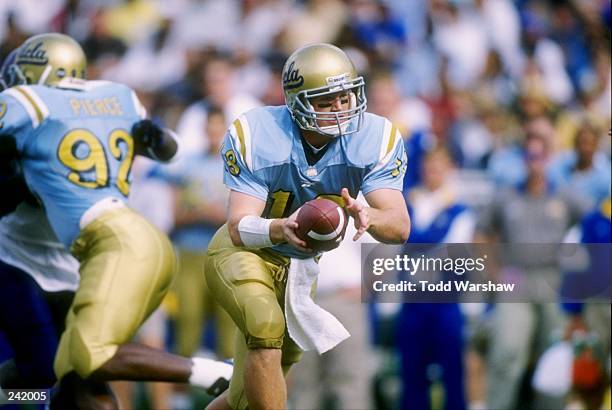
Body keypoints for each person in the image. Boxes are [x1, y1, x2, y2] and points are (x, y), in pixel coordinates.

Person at [0, 33, 230, 408]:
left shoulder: (30, 105)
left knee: (85, 367)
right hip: (45, 255)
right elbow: (167, 148)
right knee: (55, 375)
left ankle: (214, 373)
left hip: (92, 252)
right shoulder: (113, 98)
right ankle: (9, 395)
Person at [204, 43, 411, 410]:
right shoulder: (259, 132)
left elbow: (399, 226)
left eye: (346, 97)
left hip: (299, 272)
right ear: (297, 102)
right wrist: (278, 229)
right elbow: (238, 226)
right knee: (265, 327)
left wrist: (370, 215)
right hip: (246, 252)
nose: (340, 108)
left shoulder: (373, 138)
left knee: (241, 401)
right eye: (326, 100)